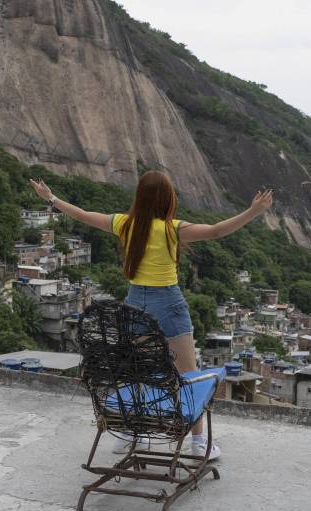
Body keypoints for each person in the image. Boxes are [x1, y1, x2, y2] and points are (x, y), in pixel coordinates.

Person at [29, 171, 273, 460]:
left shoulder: (124, 224)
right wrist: (253, 211)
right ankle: (197, 444)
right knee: (188, 375)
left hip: (134, 304)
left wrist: (52, 198)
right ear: (168, 199)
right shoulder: (173, 229)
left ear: (140, 198)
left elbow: (82, 215)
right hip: (168, 303)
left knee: (139, 369)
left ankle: (130, 433)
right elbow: (216, 230)